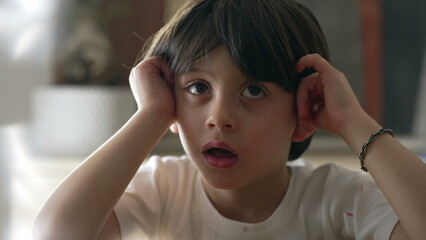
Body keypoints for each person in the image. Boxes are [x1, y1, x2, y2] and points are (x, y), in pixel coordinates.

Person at [33, 0, 426, 239]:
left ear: (305, 112)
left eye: (253, 90)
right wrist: (149, 116)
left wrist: (352, 120)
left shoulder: (336, 199)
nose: (219, 118)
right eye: (198, 88)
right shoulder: (164, 189)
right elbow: (55, 234)